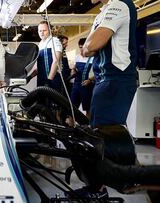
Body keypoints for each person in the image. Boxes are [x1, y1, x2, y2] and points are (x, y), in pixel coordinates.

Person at [70, 0, 138, 199]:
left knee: (103, 139)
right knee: (101, 136)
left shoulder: (119, 4)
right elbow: (86, 48)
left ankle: (99, 192)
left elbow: (91, 45)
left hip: (115, 79)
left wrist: (90, 46)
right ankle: (103, 187)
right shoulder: (104, 11)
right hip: (105, 79)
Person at [29, 21, 63, 92]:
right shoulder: (40, 44)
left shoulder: (54, 41)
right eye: (40, 31)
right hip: (41, 80)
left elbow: (56, 61)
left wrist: (49, 80)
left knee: (53, 102)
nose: (42, 33)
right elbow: (39, 66)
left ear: (50, 30)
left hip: (52, 80)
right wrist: (29, 77)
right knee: (41, 102)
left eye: (44, 30)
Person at [70, 38, 94, 119]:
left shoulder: (94, 58)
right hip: (76, 85)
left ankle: (87, 129)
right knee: (72, 109)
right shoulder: (77, 57)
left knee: (88, 109)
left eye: (83, 47)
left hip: (88, 86)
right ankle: (71, 129)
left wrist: (90, 80)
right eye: (80, 47)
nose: (81, 50)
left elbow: (99, 74)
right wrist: (73, 70)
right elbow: (74, 72)